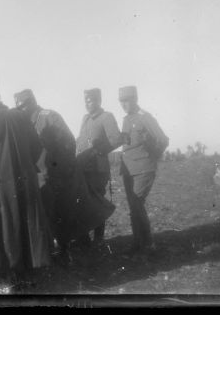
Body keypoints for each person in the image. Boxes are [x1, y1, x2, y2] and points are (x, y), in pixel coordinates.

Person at [0, 82, 51, 292]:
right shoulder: (20, 116)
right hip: (25, 182)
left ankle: (7, 279)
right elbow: (38, 148)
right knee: (25, 224)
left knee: (2, 229)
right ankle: (26, 272)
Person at [14, 88, 77, 261]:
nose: (22, 111)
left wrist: (61, 170)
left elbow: (68, 143)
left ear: (32, 103)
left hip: (55, 176)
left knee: (60, 214)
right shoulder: (22, 122)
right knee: (44, 216)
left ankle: (65, 251)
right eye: (19, 108)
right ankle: (50, 252)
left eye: (24, 106)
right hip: (36, 179)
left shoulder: (49, 116)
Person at [118, 85, 169, 254]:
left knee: (137, 205)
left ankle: (147, 244)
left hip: (143, 169)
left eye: (127, 101)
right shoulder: (126, 119)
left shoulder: (145, 118)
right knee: (134, 208)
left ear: (135, 99)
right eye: (121, 101)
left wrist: (152, 156)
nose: (124, 105)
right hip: (129, 170)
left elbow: (163, 140)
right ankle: (138, 243)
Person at [75, 88, 122, 244]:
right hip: (83, 168)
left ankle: (98, 239)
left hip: (97, 169)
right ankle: (84, 239)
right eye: (86, 101)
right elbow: (81, 140)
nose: (88, 104)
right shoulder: (85, 119)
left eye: (91, 100)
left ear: (99, 101)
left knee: (97, 203)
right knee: (82, 203)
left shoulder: (106, 117)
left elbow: (116, 139)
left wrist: (98, 150)